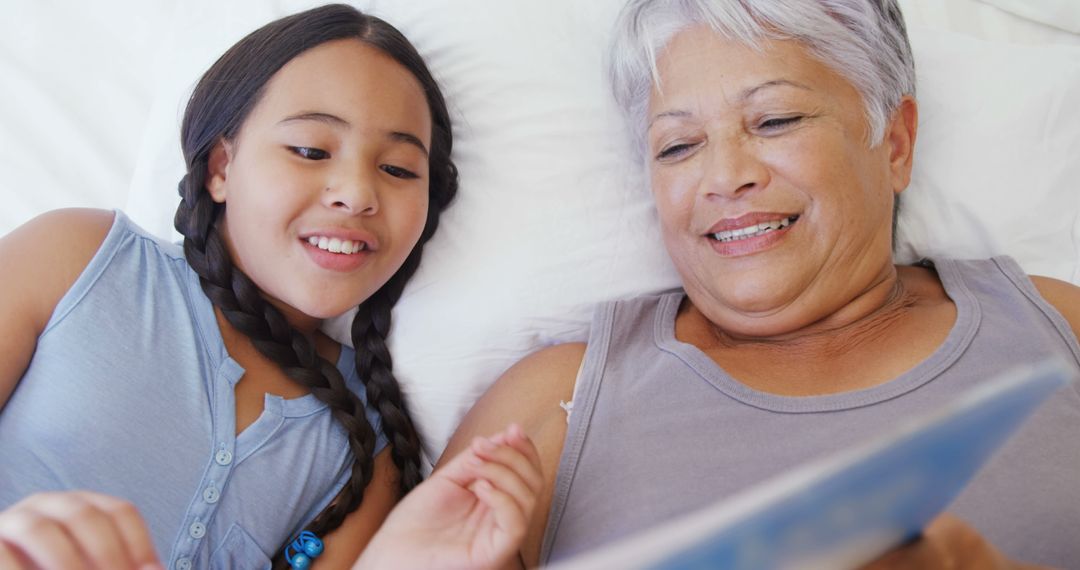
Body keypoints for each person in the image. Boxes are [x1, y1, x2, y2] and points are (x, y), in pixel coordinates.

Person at [440, 0, 1080, 568]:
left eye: (774, 120)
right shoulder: (547, 409)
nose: (725, 176)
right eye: (678, 146)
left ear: (896, 144)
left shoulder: (1057, 325)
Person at [0, 4, 540, 569]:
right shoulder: (77, 260)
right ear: (220, 168)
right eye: (310, 151)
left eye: (400, 170)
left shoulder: (367, 452)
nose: (357, 193)